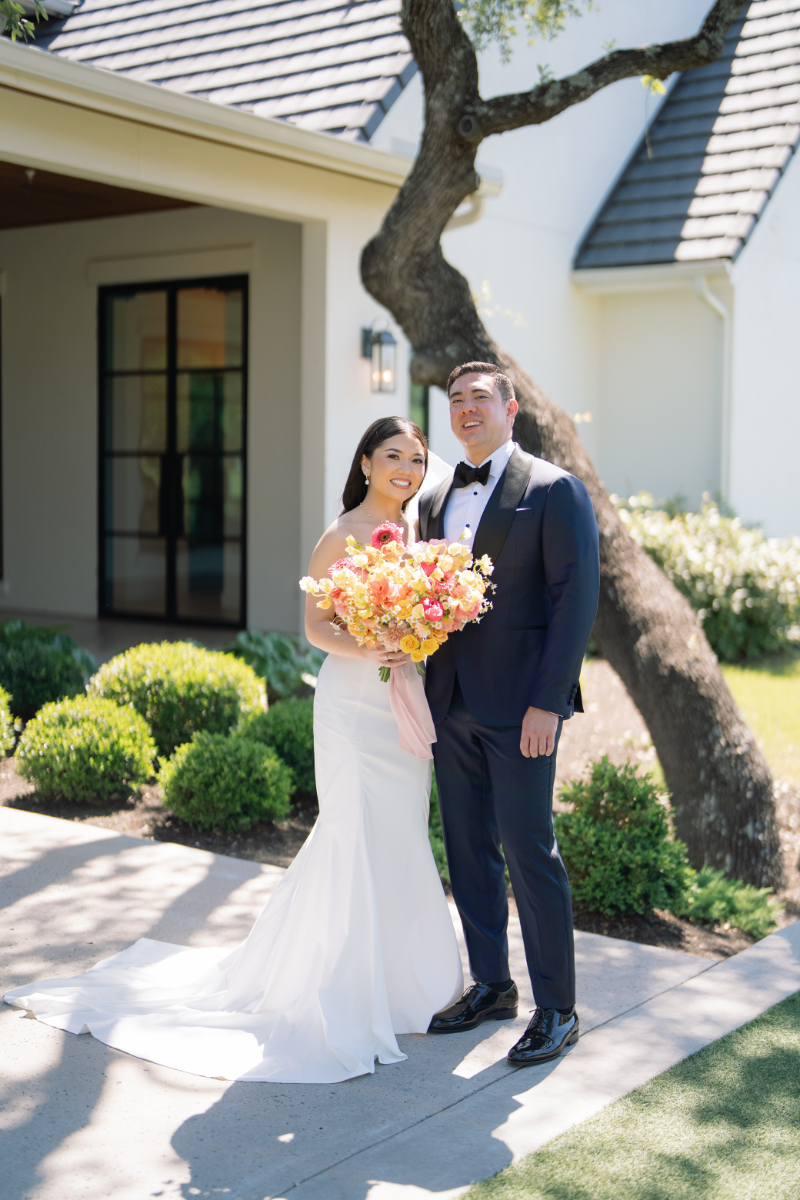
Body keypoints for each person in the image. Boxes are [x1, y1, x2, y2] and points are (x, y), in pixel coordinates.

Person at [4, 416, 463, 1084]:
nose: (407, 469)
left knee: (398, 831)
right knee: (349, 831)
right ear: (365, 463)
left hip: (403, 698)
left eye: (417, 459)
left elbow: (427, 616)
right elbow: (313, 627)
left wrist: (420, 634)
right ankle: (338, 987)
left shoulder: (424, 538)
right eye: (393, 456)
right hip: (351, 706)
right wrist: (371, 645)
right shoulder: (341, 534)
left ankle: (405, 984)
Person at [419, 362, 600, 1067]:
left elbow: (574, 604)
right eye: (456, 400)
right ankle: (494, 984)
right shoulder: (436, 499)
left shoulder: (556, 491)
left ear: (511, 408)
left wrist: (547, 704)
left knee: (530, 851)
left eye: (479, 399)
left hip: (522, 707)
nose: (466, 409)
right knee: (467, 850)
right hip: (451, 703)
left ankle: (558, 1008)